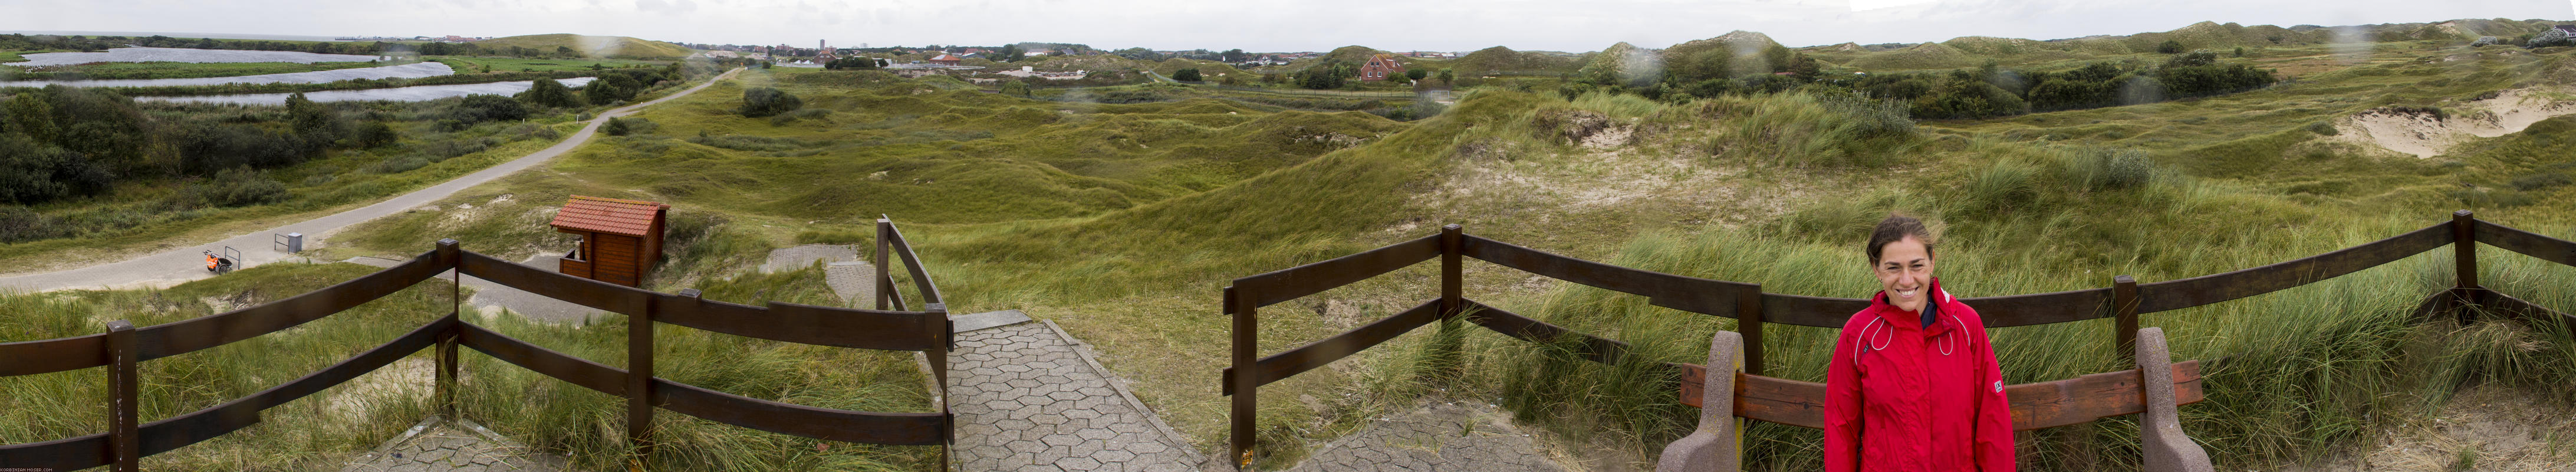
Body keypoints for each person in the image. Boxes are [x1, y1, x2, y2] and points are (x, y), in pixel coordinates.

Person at [1822, 215, 2014, 471]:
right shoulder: (1858, 334)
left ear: (1932, 262)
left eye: (1916, 266)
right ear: (1875, 268)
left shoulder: (1966, 325)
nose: (1906, 280)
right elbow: (1841, 427)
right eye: (1893, 268)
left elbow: (1993, 419)